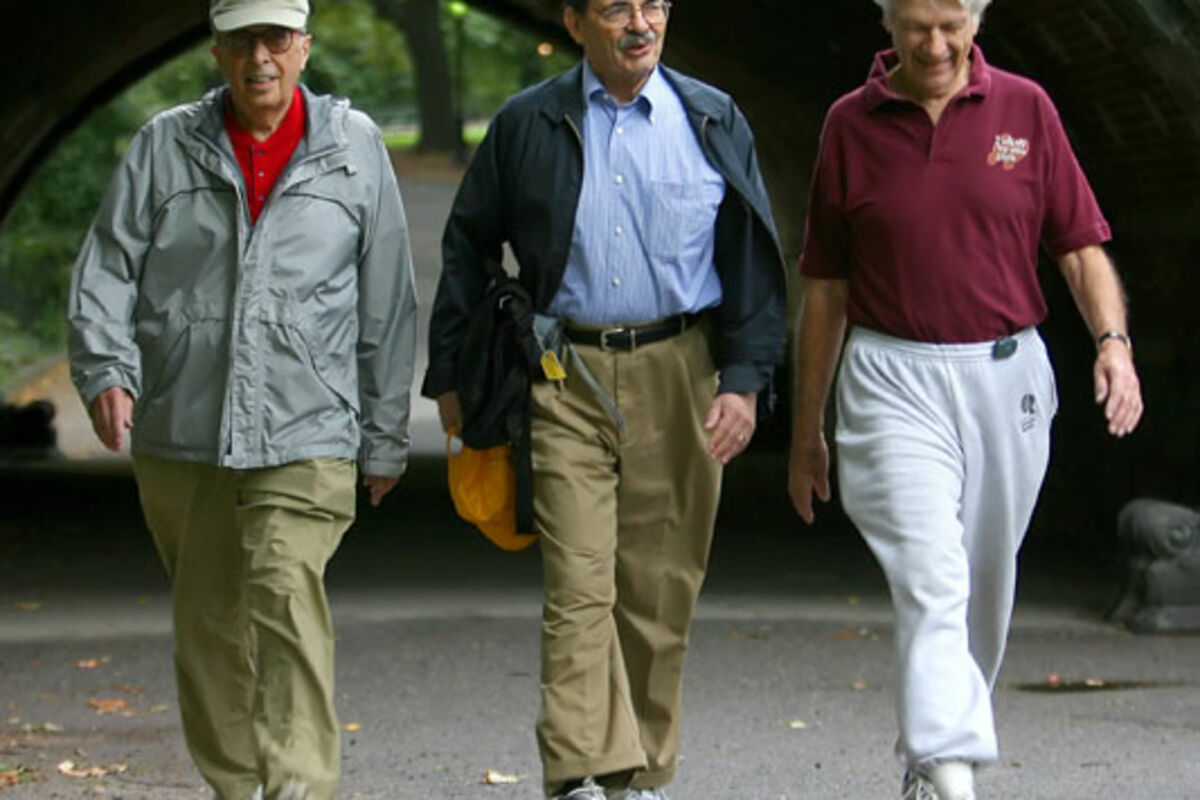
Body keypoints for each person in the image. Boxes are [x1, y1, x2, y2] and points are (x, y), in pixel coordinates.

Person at [423, 1, 786, 797]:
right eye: (617, 6)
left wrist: (745, 379)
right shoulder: (528, 122)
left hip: (682, 370)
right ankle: (578, 774)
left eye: (653, 4)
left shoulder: (711, 118)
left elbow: (752, 257)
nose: (640, 22)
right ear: (576, 20)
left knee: (660, 587)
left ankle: (642, 778)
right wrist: (452, 372)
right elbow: (468, 243)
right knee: (578, 584)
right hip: (563, 375)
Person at [787, 0, 1143, 798]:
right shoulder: (850, 124)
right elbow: (825, 286)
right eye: (918, 26)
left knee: (983, 586)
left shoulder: (1026, 109)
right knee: (933, 577)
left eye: (952, 24)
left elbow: (1079, 247)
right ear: (887, 25)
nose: (936, 44)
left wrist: (1113, 345)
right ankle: (955, 778)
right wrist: (808, 426)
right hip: (892, 376)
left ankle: (931, 756)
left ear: (977, 20)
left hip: (1005, 373)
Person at [66, 0, 417, 797]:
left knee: (287, 600)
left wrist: (384, 434)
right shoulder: (163, 146)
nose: (261, 57)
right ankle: (237, 785)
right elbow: (107, 267)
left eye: (276, 38)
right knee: (209, 627)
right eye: (243, 40)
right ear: (216, 52)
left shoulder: (355, 148)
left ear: (304, 47)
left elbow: (387, 303)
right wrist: (106, 370)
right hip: (184, 431)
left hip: (308, 427)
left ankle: (297, 788)